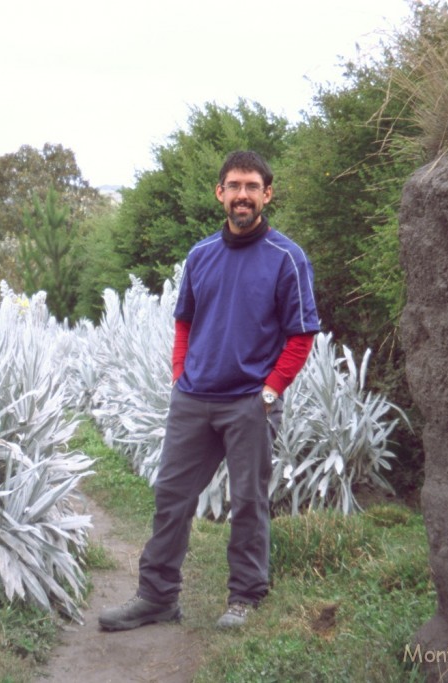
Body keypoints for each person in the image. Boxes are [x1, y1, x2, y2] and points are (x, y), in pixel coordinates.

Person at [98, 150, 321, 631]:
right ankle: (157, 597)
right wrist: (181, 374)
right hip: (193, 401)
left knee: (248, 502)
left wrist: (270, 391)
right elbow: (184, 320)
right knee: (171, 498)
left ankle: (244, 597)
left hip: (249, 404)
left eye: (252, 186)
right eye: (234, 186)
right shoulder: (200, 256)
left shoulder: (287, 258)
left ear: (267, 194)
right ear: (220, 193)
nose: (243, 195)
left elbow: (302, 336)